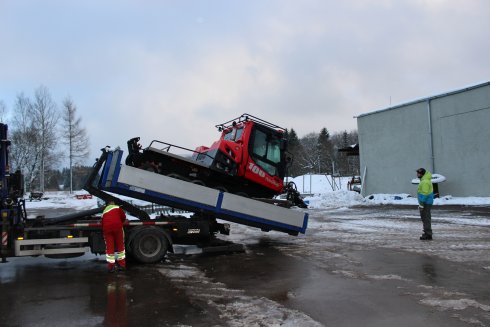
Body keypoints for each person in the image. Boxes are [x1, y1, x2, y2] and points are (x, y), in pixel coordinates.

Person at [102, 200, 127, 272]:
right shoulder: (117, 208)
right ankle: (122, 265)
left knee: (110, 248)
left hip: (107, 229)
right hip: (117, 227)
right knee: (120, 246)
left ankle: (111, 267)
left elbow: (103, 222)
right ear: (112, 203)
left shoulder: (104, 211)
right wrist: (120, 222)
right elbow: (123, 217)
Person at [416, 168, 434, 240]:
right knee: (425, 218)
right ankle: (427, 232)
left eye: (418, 173)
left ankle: (428, 234)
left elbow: (424, 193)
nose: (417, 174)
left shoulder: (425, 182)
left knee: (425, 218)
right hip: (426, 202)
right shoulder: (424, 181)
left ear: (422, 174)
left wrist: (421, 204)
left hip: (425, 203)